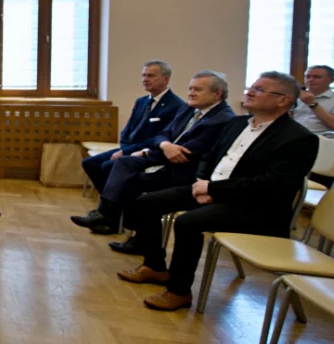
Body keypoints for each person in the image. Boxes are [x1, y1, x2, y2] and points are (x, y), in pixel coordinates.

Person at [116, 72, 318, 311]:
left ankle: (179, 291)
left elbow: (271, 185)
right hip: (211, 189)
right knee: (147, 202)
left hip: (255, 207)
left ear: (283, 100)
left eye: (259, 90)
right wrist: (202, 182)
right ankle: (155, 267)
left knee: (187, 223)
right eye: (251, 87)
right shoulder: (237, 124)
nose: (249, 92)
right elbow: (209, 157)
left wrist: (213, 189)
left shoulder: (299, 138)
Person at [72, 71, 235, 236]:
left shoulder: (222, 119)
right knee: (120, 164)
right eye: (190, 88)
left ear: (217, 93)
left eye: (197, 89)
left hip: (184, 169)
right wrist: (164, 144)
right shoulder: (189, 108)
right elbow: (163, 134)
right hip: (162, 154)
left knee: (131, 180)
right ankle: (107, 216)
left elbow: (186, 153)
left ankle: (123, 225)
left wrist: (145, 154)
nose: (191, 93)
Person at [81, 60, 184, 195]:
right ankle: (112, 200)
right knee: (89, 163)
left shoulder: (176, 105)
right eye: (143, 75)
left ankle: (115, 201)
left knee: (107, 166)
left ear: (165, 79)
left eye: (151, 76)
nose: (145, 79)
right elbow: (128, 129)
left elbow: (158, 138)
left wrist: (126, 152)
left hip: (147, 152)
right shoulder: (141, 101)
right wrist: (124, 148)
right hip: (129, 148)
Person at [292, 65, 334, 134]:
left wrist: (312, 104)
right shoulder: (296, 96)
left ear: (331, 80)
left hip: (324, 138)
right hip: (295, 136)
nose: (310, 80)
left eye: (316, 77)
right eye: (307, 77)